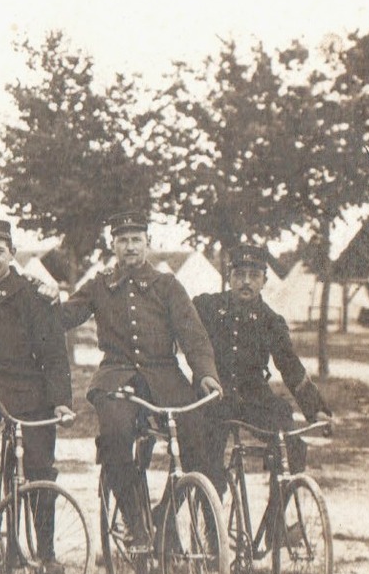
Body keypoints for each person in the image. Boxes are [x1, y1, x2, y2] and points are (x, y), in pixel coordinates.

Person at [57, 211, 222, 546]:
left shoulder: (167, 286)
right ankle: (135, 521)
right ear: (113, 245)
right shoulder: (100, 285)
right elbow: (65, 316)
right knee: (116, 437)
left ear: (148, 243)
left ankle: (183, 517)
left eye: (136, 240)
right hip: (116, 378)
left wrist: (205, 374)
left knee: (196, 440)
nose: (130, 247)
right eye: (122, 240)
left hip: (165, 378)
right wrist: (43, 299)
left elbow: (193, 335)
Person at [0, 219, 74, 553]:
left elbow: (54, 353)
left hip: (28, 393)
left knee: (38, 469)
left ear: (12, 254)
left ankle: (46, 554)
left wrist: (61, 401)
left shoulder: (35, 296)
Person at [191, 243, 333, 495]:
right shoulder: (206, 308)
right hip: (211, 400)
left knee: (293, 447)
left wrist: (316, 410)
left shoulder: (271, 322)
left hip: (253, 399)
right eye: (239, 274)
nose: (246, 282)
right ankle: (204, 527)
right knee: (209, 476)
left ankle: (275, 526)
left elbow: (290, 367)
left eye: (254, 276)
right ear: (229, 276)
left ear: (264, 281)